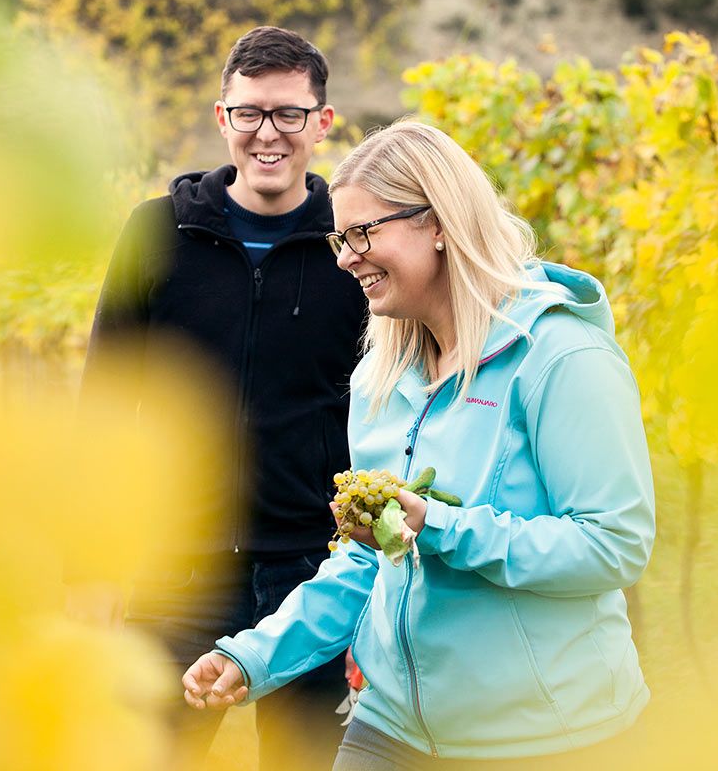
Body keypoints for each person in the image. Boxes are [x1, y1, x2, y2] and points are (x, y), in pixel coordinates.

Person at [182, 120, 655, 768]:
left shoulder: (562, 357)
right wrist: (254, 654)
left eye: (362, 234)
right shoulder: (383, 377)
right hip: (391, 725)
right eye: (339, 238)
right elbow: (370, 558)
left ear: (437, 223)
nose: (345, 257)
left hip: (548, 737)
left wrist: (440, 526)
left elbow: (613, 545)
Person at [79, 26, 367, 768]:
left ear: (322, 122)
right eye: (250, 113)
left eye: (288, 114)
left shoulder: (354, 248)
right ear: (222, 118)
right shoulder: (157, 233)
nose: (267, 133)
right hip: (179, 568)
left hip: (318, 571)